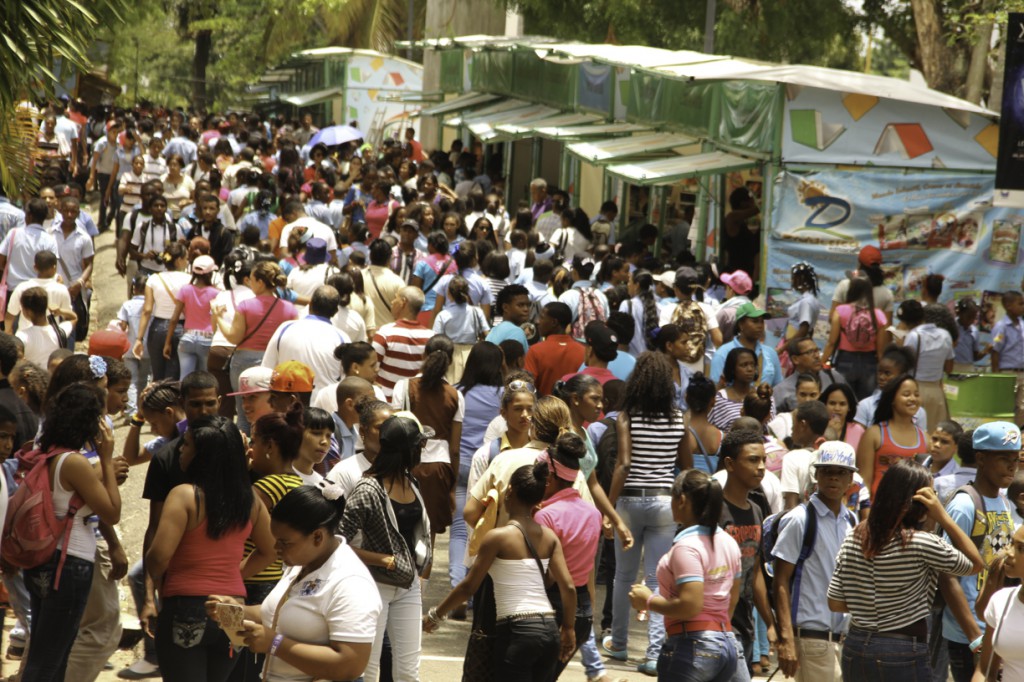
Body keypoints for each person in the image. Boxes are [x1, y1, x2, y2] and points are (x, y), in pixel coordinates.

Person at [145, 415, 276, 681]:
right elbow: (271, 550)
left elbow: (158, 559)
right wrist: (234, 574)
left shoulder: (184, 495)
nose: (181, 449)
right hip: (233, 609)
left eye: (187, 445)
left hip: (187, 606)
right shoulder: (249, 498)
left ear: (204, 456)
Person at [206, 485, 383, 682]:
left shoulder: (351, 583)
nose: (276, 548)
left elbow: (350, 665)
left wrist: (275, 643)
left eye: (284, 542)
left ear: (317, 536)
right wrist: (238, 610)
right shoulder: (304, 563)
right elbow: (279, 612)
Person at [827, 459, 983, 679]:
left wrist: (873, 605)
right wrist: (944, 517)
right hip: (902, 651)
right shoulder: (922, 543)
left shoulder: (854, 537)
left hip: (856, 645)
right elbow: (976, 563)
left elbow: (835, 602)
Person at [424, 460, 578, 682]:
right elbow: (568, 587)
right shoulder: (550, 538)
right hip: (549, 631)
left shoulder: (497, 537)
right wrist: (569, 629)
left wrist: (436, 615)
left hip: (517, 632)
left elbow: (469, 586)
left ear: (509, 492)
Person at [18, 383, 121, 682]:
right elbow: (112, 512)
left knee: (44, 651)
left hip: (42, 562)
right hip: (69, 563)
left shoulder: (49, 455)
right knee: (51, 660)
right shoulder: (74, 462)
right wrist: (106, 458)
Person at [606, 351, 692, 673]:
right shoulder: (677, 417)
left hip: (629, 501)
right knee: (659, 580)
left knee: (623, 576)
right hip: (664, 503)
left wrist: (610, 508)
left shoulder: (626, 416)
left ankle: (619, 643)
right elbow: (686, 465)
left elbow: (623, 464)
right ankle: (655, 654)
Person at [626, 469, 745, 682]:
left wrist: (648, 601)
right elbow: (732, 599)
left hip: (693, 645)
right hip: (725, 642)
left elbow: (690, 605)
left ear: (681, 500)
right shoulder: (729, 543)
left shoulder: (687, 547)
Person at [339, 414, 433, 682]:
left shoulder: (412, 482)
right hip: (374, 585)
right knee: (368, 669)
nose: (423, 450)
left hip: (408, 584)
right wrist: (381, 559)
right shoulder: (368, 489)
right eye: (419, 446)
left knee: (408, 670)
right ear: (407, 450)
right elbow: (338, 542)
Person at [772, 442, 859, 681]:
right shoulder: (800, 519)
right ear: (816, 475)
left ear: (851, 478)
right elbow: (780, 579)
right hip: (812, 639)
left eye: (841, 472)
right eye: (827, 471)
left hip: (844, 639)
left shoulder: (851, 520)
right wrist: (786, 639)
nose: (833, 477)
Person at [939, 422, 1019, 682]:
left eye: (1015, 459)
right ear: (981, 459)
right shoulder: (964, 505)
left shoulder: (1005, 502)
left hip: (998, 629)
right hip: (969, 636)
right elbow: (946, 575)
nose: (1012, 466)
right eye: (1003, 459)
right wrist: (975, 637)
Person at [535, 432, 604, 678]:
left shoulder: (545, 516)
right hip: (582, 612)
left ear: (550, 476)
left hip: (552, 608)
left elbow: (548, 576)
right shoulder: (594, 514)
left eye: (539, 474)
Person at [390, 335, 464, 539]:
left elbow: (393, 427)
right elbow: (455, 449)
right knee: (427, 534)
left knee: (399, 528)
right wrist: (452, 486)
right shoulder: (455, 395)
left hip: (405, 465)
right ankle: (424, 572)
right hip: (438, 468)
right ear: (450, 361)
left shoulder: (403, 386)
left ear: (424, 355)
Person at [213, 261, 298, 433]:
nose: (249, 284)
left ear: (260, 282)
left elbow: (234, 337)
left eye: (251, 280)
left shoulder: (245, 306)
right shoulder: (289, 309)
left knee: (244, 412)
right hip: (274, 364)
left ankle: (245, 450)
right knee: (272, 411)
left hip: (243, 361)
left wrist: (218, 318)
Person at [450, 342, 506, 594]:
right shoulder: (505, 396)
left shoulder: (456, 392)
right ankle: (477, 588)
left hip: (460, 463)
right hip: (491, 466)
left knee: (460, 530)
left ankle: (457, 588)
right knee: (487, 528)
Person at [261, 285, 349, 404]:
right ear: (336, 311)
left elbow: (266, 370)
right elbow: (345, 380)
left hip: (287, 406)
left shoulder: (285, 328)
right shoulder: (342, 338)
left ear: (310, 304)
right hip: (323, 412)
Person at [857, 373, 928, 496]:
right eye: (906, 394)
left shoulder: (927, 439)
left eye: (916, 394)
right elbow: (864, 481)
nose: (913, 399)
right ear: (892, 399)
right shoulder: (874, 434)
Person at [972, 522, 1024, 681]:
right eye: (1011, 543)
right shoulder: (1001, 600)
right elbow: (984, 670)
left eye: (1021, 548)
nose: (1008, 552)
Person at [133, 242, 191, 381]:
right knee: (174, 376)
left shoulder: (153, 279)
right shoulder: (189, 280)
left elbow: (147, 310)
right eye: (186, 258)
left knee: (157, 376)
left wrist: (139, 339)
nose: (187, 262)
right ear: (178, 260)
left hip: (157, 328)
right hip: (180, 328)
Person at [822, 277, 887, 401]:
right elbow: (880, 351)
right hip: (869, 362)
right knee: (866, 401)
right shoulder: (878, 314)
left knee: (843, 399)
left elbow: (831, 342)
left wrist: (822, 362)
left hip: (845, 359)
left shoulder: (840, 311)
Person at [372, 285, 432, 399]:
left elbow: (372, 369)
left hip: (385, 401)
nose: (392, 302)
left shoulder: (385, 333)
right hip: (413, 403)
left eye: (395, 298)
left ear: (403, 302)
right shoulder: (431, 337)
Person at [164, 254, 219, 376]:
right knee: (206, 379)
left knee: (185, 378)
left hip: (187, 337)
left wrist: (167, 343)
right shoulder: (216, 293)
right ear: (210, 274)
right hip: (207, 339)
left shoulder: (185, 290)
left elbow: (174, 319)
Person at [854, 344, 928, 431]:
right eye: (879, 372)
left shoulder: (918, 412)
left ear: (902, 375)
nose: (881, 377)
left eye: (887, 373)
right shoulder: (865, 406)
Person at [433, 275, 490, 383]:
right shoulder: (477, 311)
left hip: (450, 356)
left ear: (449, 294)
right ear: (467, 292)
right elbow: (487, 334)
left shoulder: (443, 315)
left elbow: (436, 341)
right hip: (473, 355)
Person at [710, 303, 783, 387]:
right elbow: (716, 389)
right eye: (755, 321)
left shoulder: (770, 353)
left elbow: (778, 386)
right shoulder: (723, 354)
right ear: (741, 324)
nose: (760, 326)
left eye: (762, 321)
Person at [525, 302, 586, 396]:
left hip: (543, 408)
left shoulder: (535, 351)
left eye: (541, 317)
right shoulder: (583, 351)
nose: (537, 321)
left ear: (554, 322)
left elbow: (527, 387)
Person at [708, 348, 775, 432]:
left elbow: (771, 424)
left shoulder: (763, 394)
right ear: (732, 369)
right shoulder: (719, 399)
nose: (750, 369)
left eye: (752, 365)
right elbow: (711, 430)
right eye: (744, 365)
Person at [774, 337, 845, 412]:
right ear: (795, 359)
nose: (817, 356)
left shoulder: (833, 377)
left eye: (817, 351)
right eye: (810, 352)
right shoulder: (782, 390)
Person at [829, 245, 894, 321]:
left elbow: (832, 318)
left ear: (859, 264)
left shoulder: (844, 285)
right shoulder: (886, 294)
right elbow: (887, 327)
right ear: (879, 266)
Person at [990, 291, 1024, 427]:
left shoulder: (1022, 324)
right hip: (1008, 373)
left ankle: (1019, 434)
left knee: (1022, 407)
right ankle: (1005, 433)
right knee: (1006, 406)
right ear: (1008, 306)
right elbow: (995, 351)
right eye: (1020, 304)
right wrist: (996, 376)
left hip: (1022, 372)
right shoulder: (1001, 327)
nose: (1023, 306)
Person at [721, 187, 760, 277]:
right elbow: (756, 210)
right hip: (736, 272)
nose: (753, 203)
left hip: (745, 272)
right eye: (751, 200)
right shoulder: (732, 217)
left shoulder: (741, 222)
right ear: (743, 203)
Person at [485, 283, 531, 354]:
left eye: (528, 305)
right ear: (505, 307)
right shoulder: (516, 332)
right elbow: (516, 364)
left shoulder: (494, 330)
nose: (526, 309)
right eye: (520, 305)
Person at [819, 382, 865, 451]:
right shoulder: (816, 428)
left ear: (849, 407)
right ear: (825, 405)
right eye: (832, 403)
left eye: (842, 404)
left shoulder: (858, 431)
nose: (837, 408)